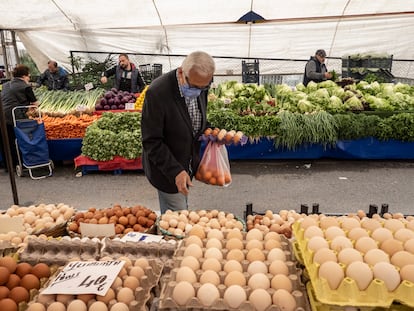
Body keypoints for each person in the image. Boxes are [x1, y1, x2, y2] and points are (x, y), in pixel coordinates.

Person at [141, 51, 215, 214]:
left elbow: (195, 120)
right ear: (181, 73)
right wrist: (176, 171)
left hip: (186, 163)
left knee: (181, 210)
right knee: (178, 218)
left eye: (204, 87)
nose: (199, 92)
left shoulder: (201, 85)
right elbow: (151, 141)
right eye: (195, 87)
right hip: (167, 169)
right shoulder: (157, 92)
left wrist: (211, 131)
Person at [1, 64, 39, 168]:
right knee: (19, 139)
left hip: (2, 116)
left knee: (7, 141)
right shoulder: (25, 86)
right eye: (28, 76)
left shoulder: (5, 85)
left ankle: (8, 165)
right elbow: (35, 103)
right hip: (16, 116)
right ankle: (20, 162)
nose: (29, 78)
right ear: (24, 76)